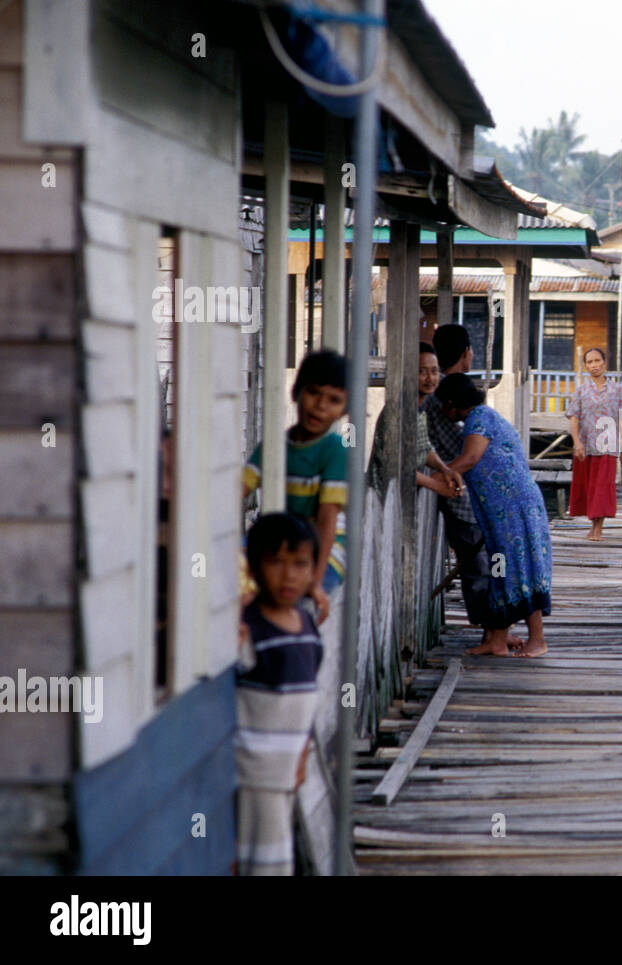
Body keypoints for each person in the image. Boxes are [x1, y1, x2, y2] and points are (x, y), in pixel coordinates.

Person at [425, 373, 552, 657]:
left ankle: (538, 640)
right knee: (500, 569)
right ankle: (497, 639)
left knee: (520, 567)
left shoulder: (479, 418)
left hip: (515, 508)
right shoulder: (479, 418)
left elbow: (470, 459)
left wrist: (436, 476)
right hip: (498, 513)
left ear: (450, 403)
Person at [235, 513, 324, 876]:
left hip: (287, 774)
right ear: (254, 568)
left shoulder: (307, 626)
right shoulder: (248, 630)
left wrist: (302, 758)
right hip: (251, 774)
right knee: (256, 862)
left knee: (275, 859)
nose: (289, 575)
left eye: (300, 564)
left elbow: (306, 704)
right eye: (276, 563)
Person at [243, 350, 348, 623]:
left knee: (295, 608)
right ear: (296, 392)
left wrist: (314, 581)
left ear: (344, 410)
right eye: (313, 393)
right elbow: (236, 492)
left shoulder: (334, 450)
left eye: (334, 400)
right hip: (282, 543)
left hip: (325, 550)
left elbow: (327, 519)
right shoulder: (275, 446)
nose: (320, 406)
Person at [422, 325, 495, 639]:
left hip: (464, 496)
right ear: (466, 353)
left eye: (433, 371)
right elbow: (471, 455)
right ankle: (491, 629)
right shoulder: (450, 395)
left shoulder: (438, 395)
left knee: (479, 565)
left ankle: (494, 629)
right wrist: (443, 475)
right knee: (480, 567)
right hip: (465, 497)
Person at [567, 347, 622, 541]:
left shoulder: (617, 389)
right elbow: (574, 417)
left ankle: (598, 528)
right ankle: (592, 526)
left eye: (597, 361)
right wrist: (576, 442)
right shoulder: (581, 391)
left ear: (604, 362)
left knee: (602, 487)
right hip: (586, 445)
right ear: (585, 366)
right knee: (588, 487)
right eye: (589, 362)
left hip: (608, 445)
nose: (594, 366)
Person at [367, 342, 437, 496]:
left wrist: (446, 470)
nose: (430, 378)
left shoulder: (419, 409)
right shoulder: (399, 411)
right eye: (422, 372)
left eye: (434, 371)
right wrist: (436, 485)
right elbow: (399, 464)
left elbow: (425, 449)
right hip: (384, 496)